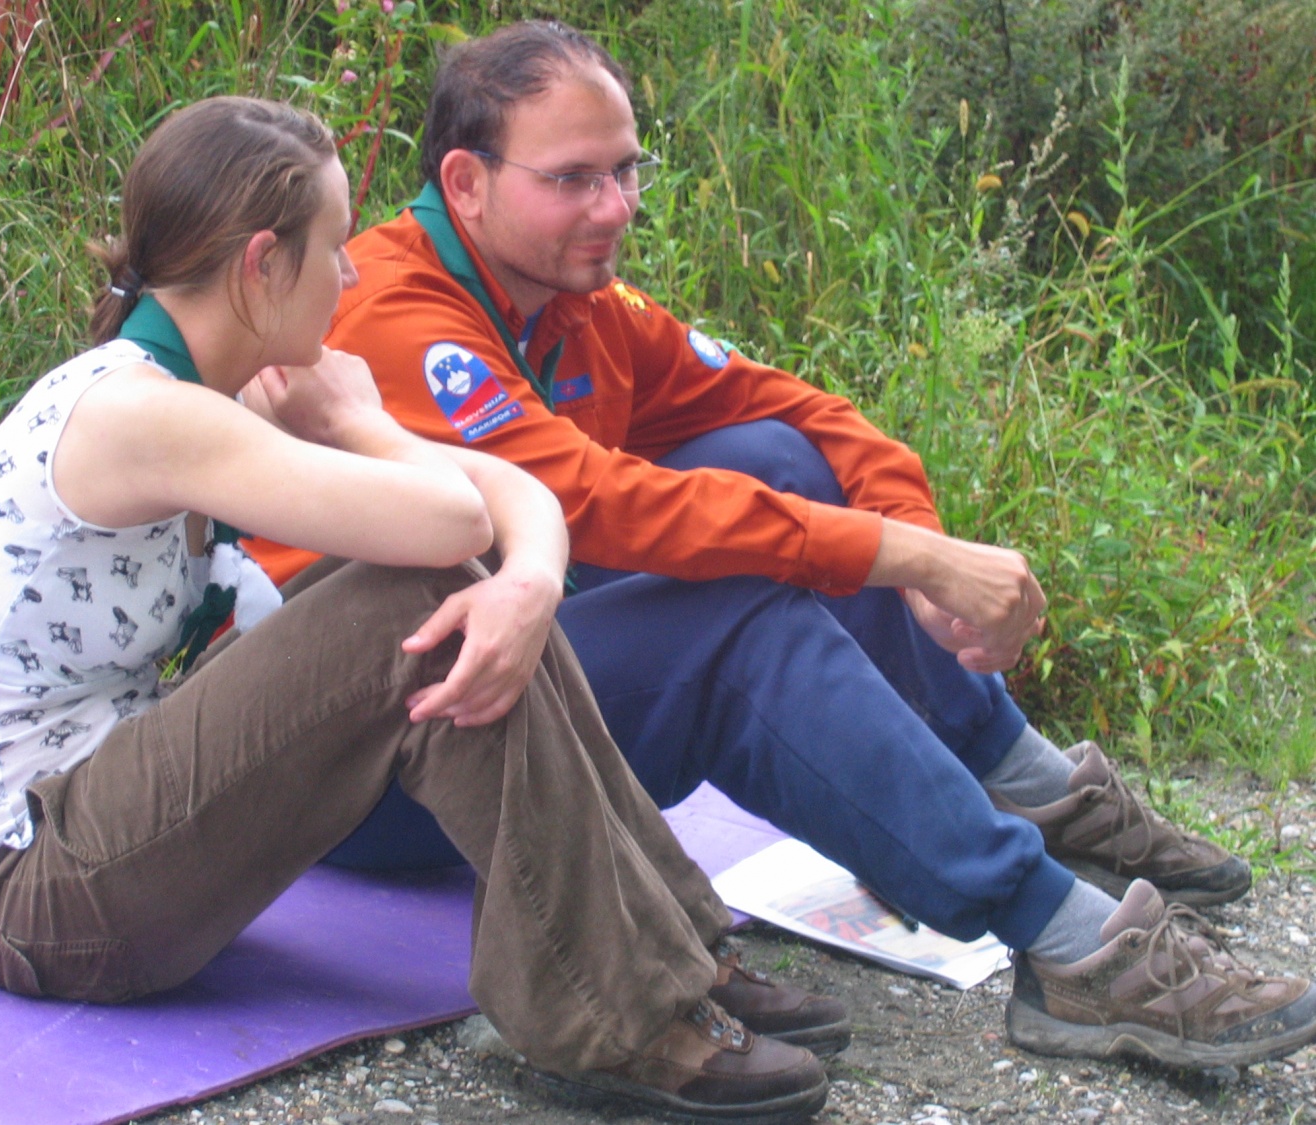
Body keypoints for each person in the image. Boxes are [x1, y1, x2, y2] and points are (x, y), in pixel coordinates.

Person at [246, 23, 1316, 1069]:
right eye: (572, 179)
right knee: (736, 623)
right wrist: (905, 563)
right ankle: (1066, 939)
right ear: (466, 183)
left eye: (626, 171)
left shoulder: (571, 297)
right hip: (384, 757)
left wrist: (919, 538)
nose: (613, 208)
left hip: (499, 683)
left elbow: (799, 415)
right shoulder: (396, 311)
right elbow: (597, 503)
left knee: (770, 455)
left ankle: (1016, 780)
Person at [0, 95, 835, 1123]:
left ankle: (671, 956)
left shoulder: (188, 390)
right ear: (261, 266)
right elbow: (448, 524)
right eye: (335, 248)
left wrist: (524, 587)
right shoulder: (142, 413)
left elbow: (506, 502)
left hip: (88, 834)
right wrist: (357, 420)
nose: (349, 277)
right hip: (30, 898)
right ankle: (614, 1006)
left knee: (448, 606)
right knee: (416, 601)